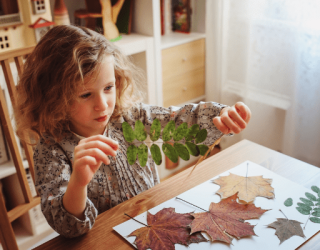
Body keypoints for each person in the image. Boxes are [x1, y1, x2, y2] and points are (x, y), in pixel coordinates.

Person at [14, 25, 251, 238]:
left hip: (154, 220)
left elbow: (175, 120)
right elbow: (68, 227)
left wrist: (220, 116)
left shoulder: (128, 116)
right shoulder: (51, 149)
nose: (103, 104)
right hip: (105, 240)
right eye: (86, 95)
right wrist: (78, 183)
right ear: (55, 97)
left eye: (108, 87)